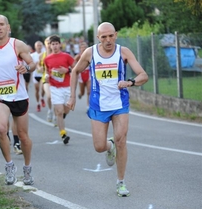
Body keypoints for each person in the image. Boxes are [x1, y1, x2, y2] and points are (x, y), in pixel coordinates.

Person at [67, 22, 148, 197]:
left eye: (111, 35)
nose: (108, 40)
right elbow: (74, 71)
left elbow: (143, 75)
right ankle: (109, 145)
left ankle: (120, 182)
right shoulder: (90, 53)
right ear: (98, 38)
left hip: (120, 104)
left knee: (122, 141)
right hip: (98, 105)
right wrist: (72, 96)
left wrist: (130, 82)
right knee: (99, 146)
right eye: (104, 37)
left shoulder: (123, 52)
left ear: (116, 35)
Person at [0, 14, 36, 186]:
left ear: (8, 27)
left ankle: (27, 168)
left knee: (23, 136)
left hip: (19, 96)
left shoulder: (17, 45)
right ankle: (9, 165)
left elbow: (33, 64)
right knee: (1, 128)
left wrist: (25, 67)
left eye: (1, 24)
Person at [43, 35, 76, 145]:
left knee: (67, 109)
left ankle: (62, 116)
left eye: (57, 44)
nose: (55, 46)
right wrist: (47, 76)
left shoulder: (66, 57)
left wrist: (67, 70)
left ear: (60, 45)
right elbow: (47, 71)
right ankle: (63, 134)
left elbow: (76, 68)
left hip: (67, 87)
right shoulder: (47, 59)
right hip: (55, 87)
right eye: (53, 44)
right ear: (50, 46)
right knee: (59, 111)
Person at [75, 42, 91, 108]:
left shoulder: (91, 55)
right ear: (80, 49)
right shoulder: (78, 56)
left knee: (89, 92)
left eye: (85, 47)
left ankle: (88, 106)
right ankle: (80, 94)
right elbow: (72, 64)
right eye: (82, 47)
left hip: (89, 74)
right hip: (81, 76)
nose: (83, 48)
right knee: (82, 92)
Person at [31, 41, 45, 112]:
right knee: (37, 90)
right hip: (35, 74)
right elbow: (30, 64)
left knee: (43, 89)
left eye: (40, 45)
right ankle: (38, 103)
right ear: (35, 47)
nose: (39, 46)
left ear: (42, 46)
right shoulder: (32, 55)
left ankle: (42, 97)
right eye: (38, 45)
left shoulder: (44, 54)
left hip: (43, 75)